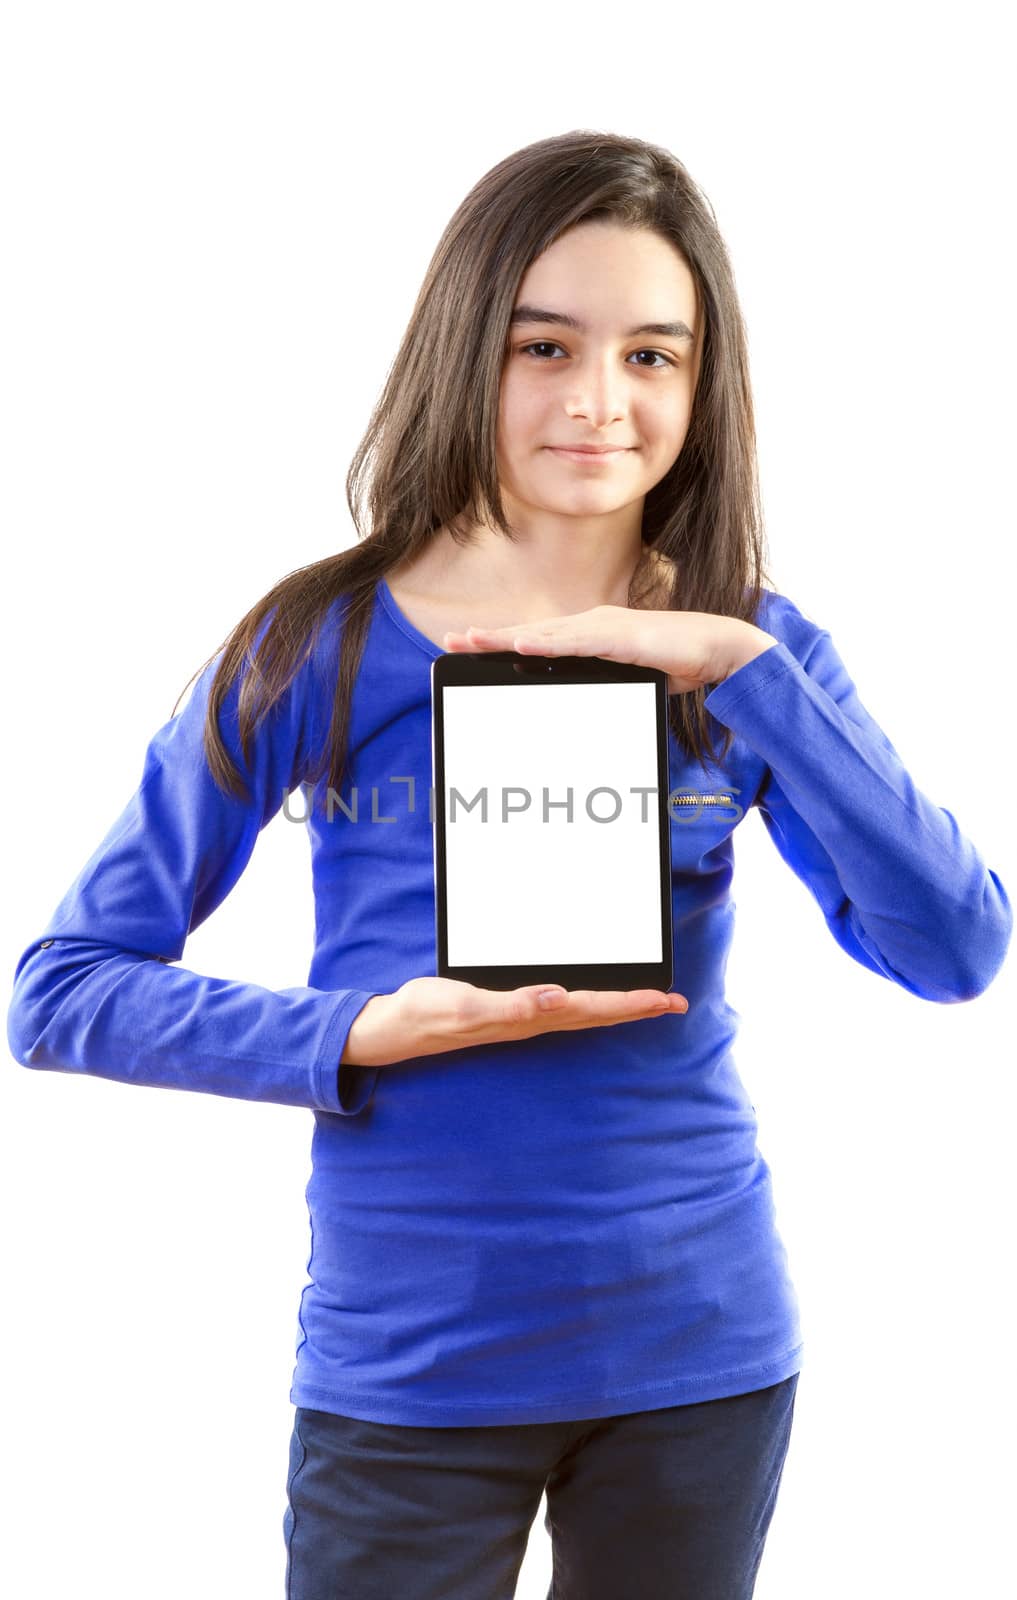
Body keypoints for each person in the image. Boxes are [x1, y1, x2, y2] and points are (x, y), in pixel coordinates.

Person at [7, 128, 1012, 1600]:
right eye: (545, 345)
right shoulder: (317, 650)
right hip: (408, 1368)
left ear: (700, 386)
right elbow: (61, 990)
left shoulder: (751, 655)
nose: (598, 401)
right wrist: (355, 1031)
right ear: (467, 347)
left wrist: (745, 671)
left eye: (652, 357)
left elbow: (952, 950)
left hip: (698, 1355)